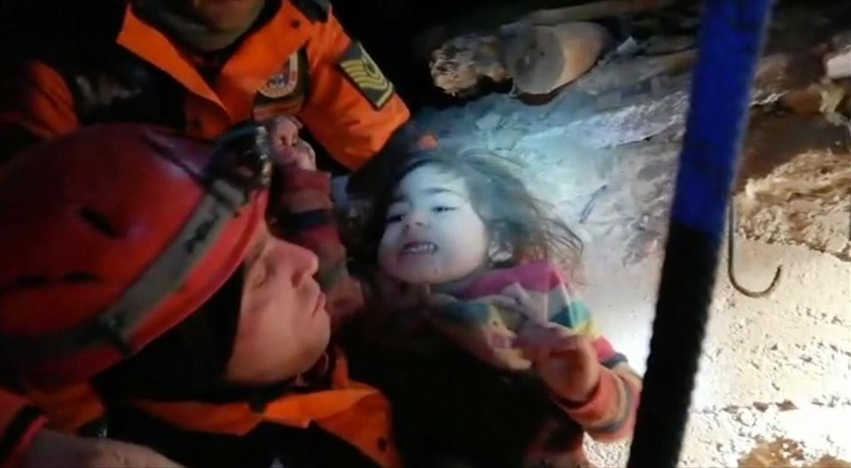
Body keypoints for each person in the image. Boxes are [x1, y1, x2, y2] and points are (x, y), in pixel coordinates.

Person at [0, 123, 398, 468]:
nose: (306, 261)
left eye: (269, 237)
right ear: (184, 364)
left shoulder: (292, 342)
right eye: (261, 277)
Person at [345, 153, 642, 467]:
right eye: (395, 216)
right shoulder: (375, 300)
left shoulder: (542, 295)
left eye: (441, 208)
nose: (412, 220)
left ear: (499, 243)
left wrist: (591, 389)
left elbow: (636, 412)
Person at [0, 0, 426, 171]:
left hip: (278, 265)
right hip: (147, 295)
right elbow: (34, 235)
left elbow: (391, 148)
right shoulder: (58, 58)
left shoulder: (302, 24)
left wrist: (448, 199)